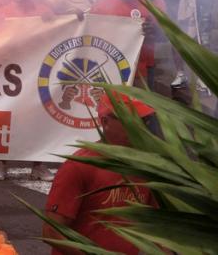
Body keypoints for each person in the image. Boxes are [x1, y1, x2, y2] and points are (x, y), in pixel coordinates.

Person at [43, 94, 156, 255]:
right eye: (129, 119)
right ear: (105, 122)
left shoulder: (148, 166)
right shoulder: (78, 166)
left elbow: (158, 224)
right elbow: (51, 232)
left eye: (144, 120)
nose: (139, 126)